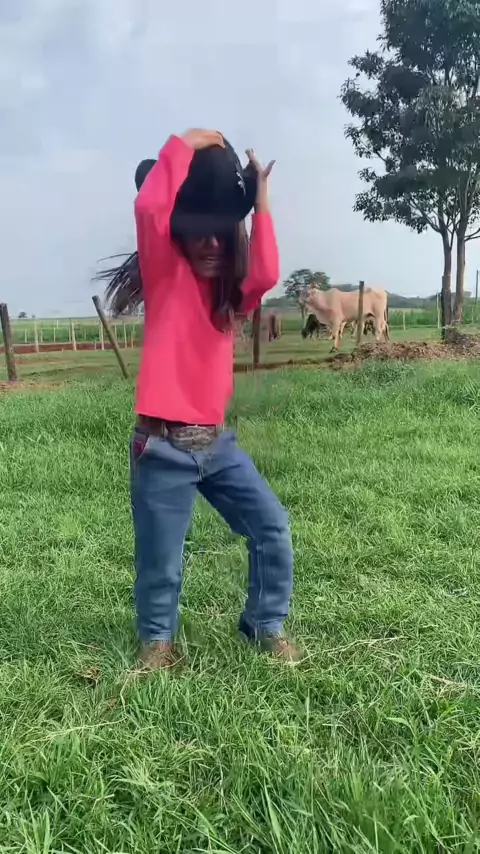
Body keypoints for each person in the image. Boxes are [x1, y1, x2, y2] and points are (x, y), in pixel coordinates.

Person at [100, 128, 301, 670]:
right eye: (198, 233)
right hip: (162, 448)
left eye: (221, 233)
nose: (211, 243)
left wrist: (259, 199)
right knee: (161, 559)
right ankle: (157, 646)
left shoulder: (230, 297)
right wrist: (185, 142)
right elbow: (150, 207)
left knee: (271, 527)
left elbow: (265, 271)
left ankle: (264, 626)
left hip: (216, 446)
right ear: (179, 236)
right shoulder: (167, 276)